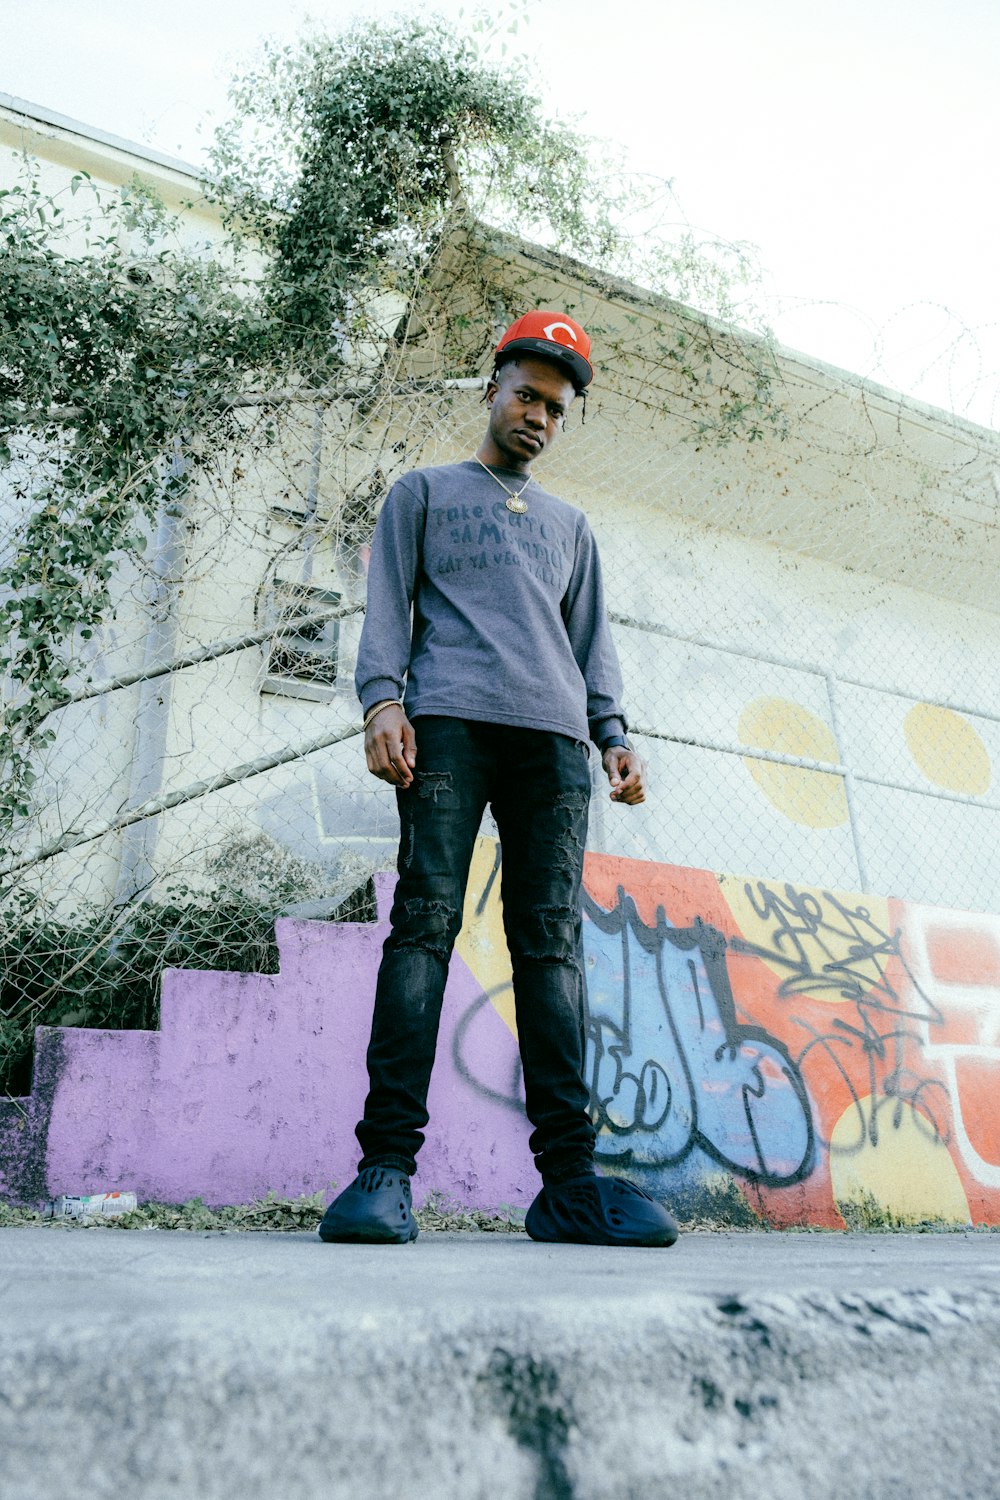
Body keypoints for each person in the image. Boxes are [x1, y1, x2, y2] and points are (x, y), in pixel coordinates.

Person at [319, 311, 678, 1248]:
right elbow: (387, 608)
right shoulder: (425, 493)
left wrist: (613, 733)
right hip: (447, 728)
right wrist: (380, 703)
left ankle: (568, 1187)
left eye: (557, 410)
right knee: (424, 928)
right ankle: (384, 1170)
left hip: (555, 748)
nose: (539, 419)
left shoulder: (571, 527)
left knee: (551, 953)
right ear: (492, 389)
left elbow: (592, 641)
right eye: (527, 396)